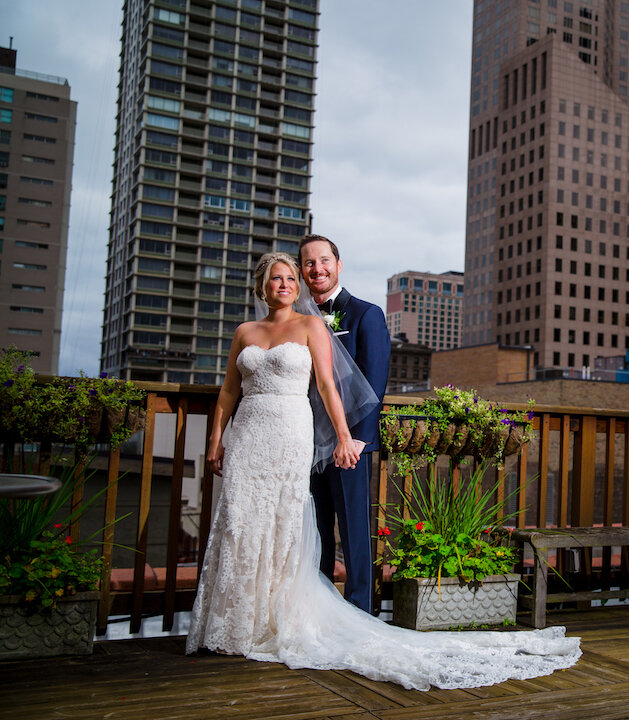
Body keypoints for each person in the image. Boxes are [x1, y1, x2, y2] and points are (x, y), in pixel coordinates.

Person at [186, 252, 580, 690]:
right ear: (263, 287)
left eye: (298, 273)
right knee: (245, 525)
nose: (293, 280)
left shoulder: (344, 319)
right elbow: (228, 389)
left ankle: (333, 615)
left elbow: (346, 387)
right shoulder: (246, 332)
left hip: (321, 440)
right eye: (283, 275)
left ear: (330, 267)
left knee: (316, 530)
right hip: (256, 438)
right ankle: (240, 621)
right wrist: (216, 440)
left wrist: (347, 438)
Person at [299, 233, 390, 613]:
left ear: (338, 265)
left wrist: (355, 440)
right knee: (313, 531)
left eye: (324, 260)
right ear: (302, 271)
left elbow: (375, 379)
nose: (317, 268)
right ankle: (317, 611)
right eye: (308, 263)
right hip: (305, 441)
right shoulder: (298, 319)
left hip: (347, 443)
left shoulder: (366, 314)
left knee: (354, 531)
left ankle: (360, 612)